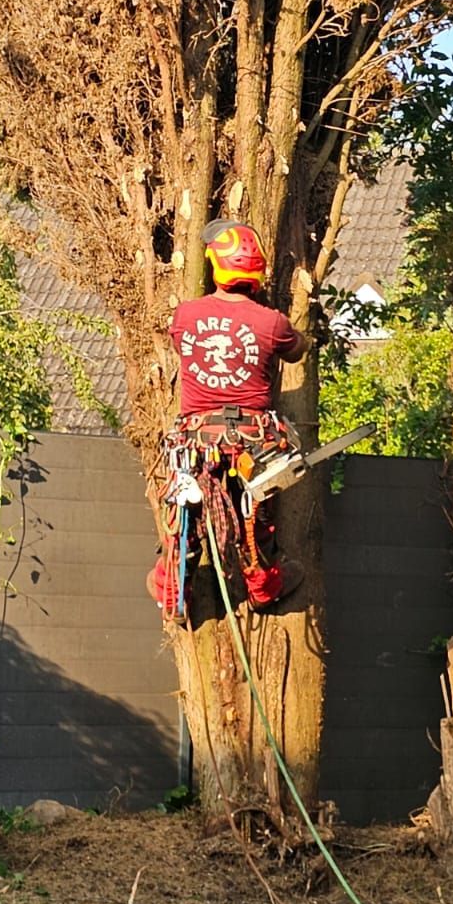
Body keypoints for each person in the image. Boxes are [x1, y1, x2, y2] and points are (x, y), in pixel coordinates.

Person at [148, 221, 308, 616]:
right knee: (257, 518)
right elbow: (297, 349)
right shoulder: (272, 323)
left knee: (185, 512)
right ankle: (263, 586)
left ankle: (172, 593)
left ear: (216, 267)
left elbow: (178, 340)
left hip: (197, 440)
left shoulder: (186, 315)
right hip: (252, 440)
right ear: (257, 273)